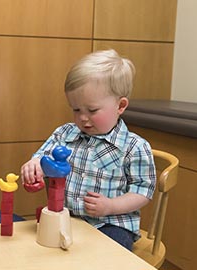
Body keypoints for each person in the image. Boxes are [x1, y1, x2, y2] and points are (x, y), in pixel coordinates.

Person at [20, 49, 156, 250]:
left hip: (111, 224)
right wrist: (33, 165)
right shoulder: (65, 133)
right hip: (67, 220)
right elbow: (41, 156)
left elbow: (143, 191)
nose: (83, 118)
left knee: (107, 255)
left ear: (120, 105)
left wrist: (111, 206)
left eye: (92, 110)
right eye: (76, 109)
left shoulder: (135, 147)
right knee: (40, 251)